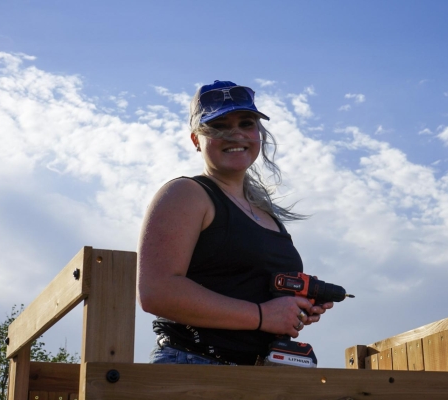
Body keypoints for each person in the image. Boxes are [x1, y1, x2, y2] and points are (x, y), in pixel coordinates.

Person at [137, 80, 332, 366]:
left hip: (261, 377)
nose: (235, 134)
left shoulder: (266, 215)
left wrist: (293, 309)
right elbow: (157, 292)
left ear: (258, 134)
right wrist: (264, 315)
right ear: (195, 140)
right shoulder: (186, 194)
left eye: (246, 123)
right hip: (194, 369)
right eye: (218, 126)